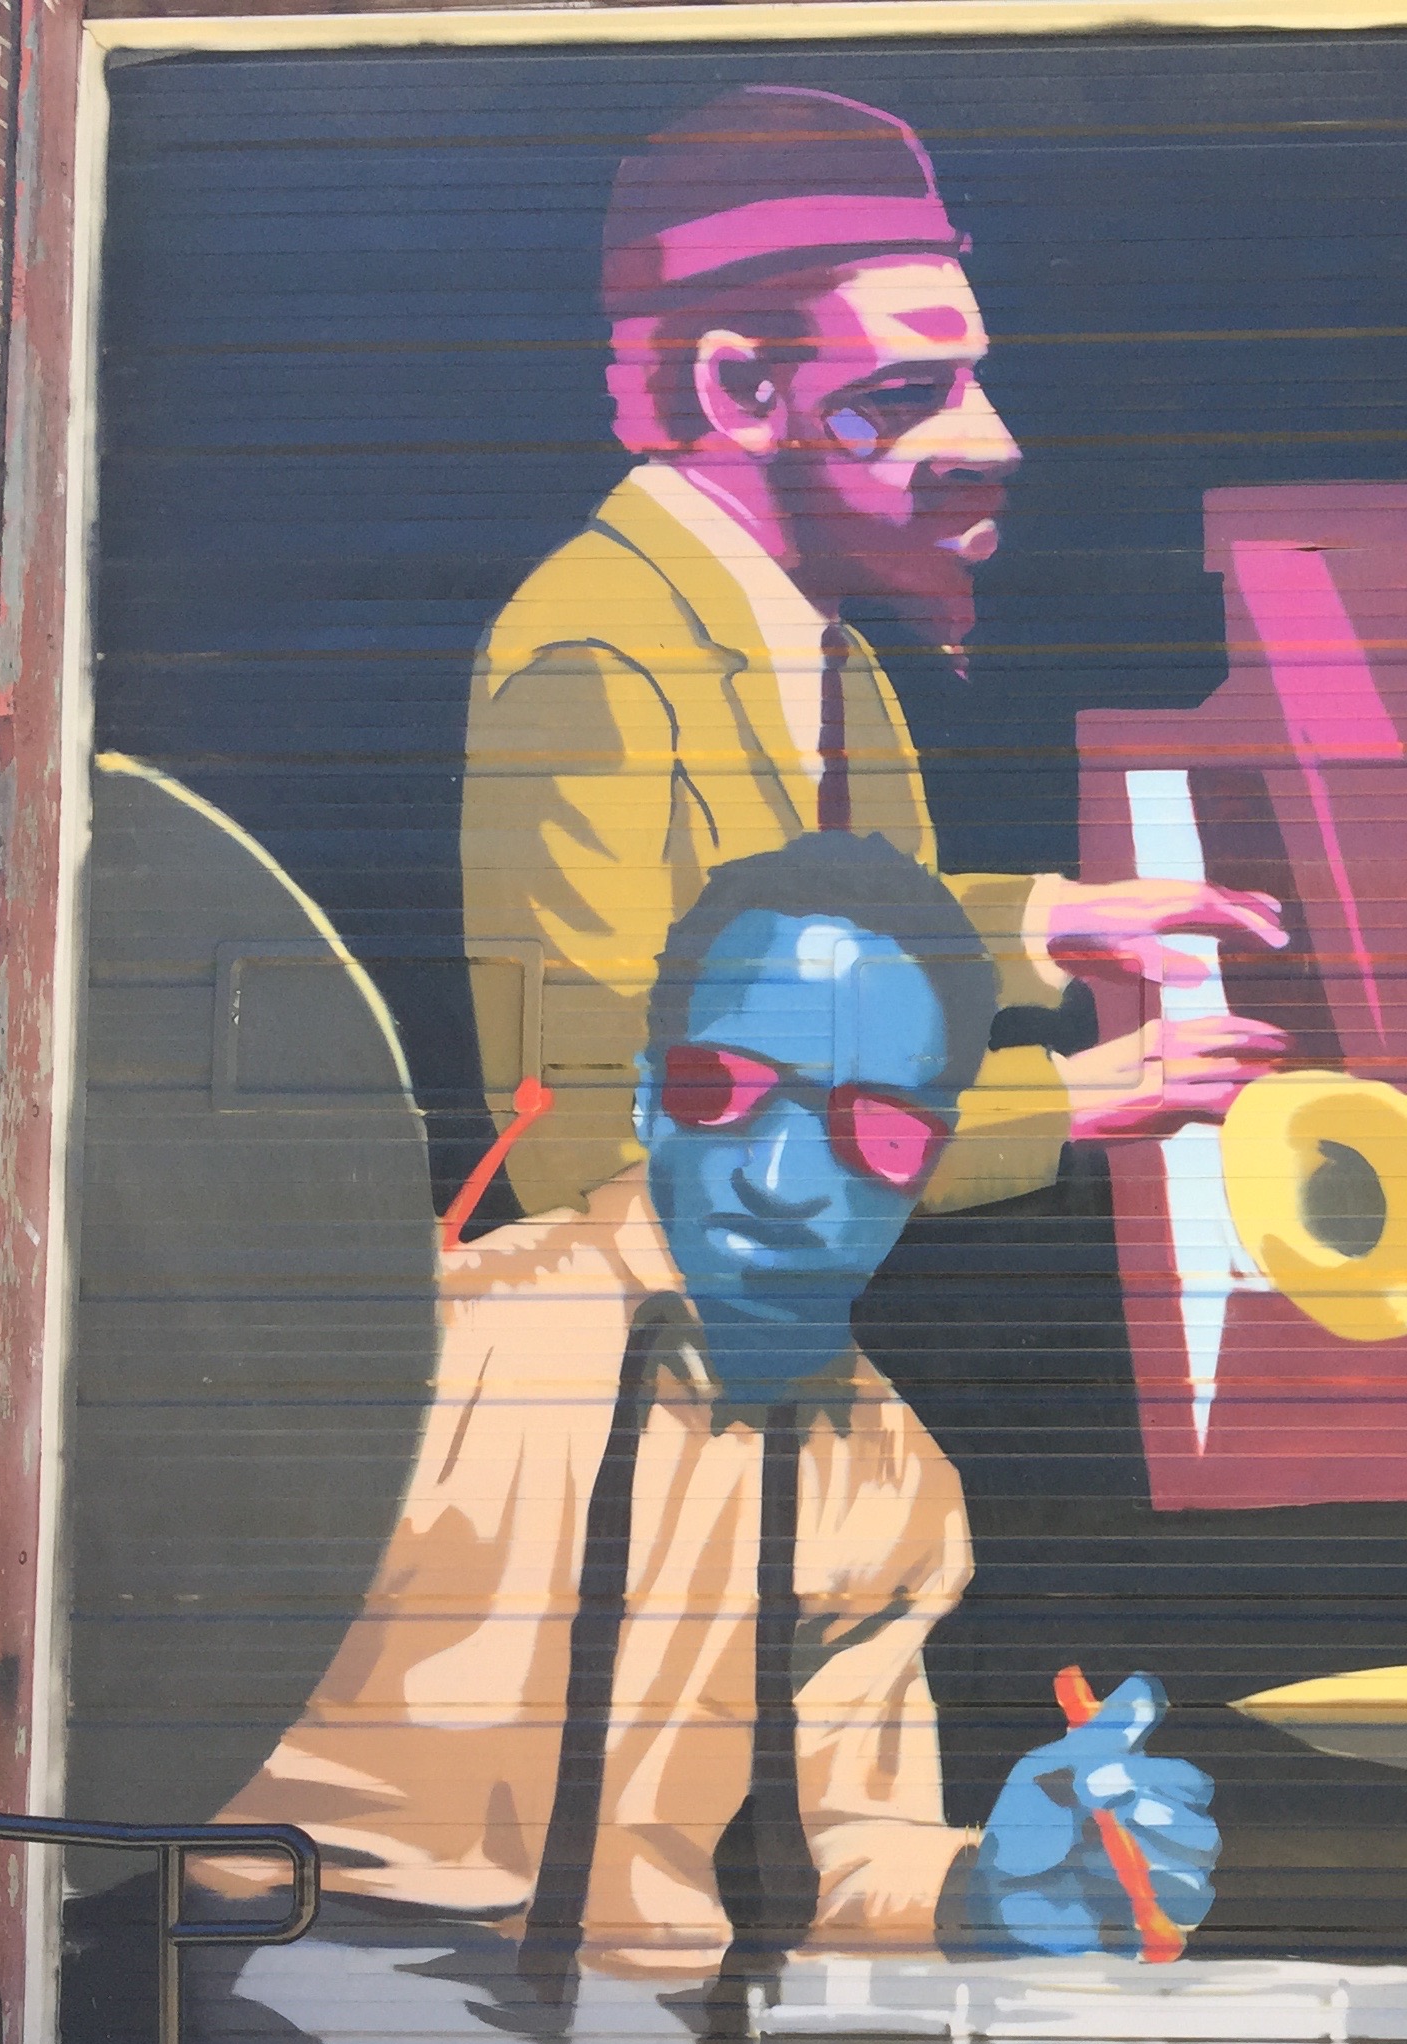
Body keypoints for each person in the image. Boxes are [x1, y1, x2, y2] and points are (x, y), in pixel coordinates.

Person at [208, 834, 1218, 2044]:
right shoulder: (433, 1346)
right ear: (645, 1099)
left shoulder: (888, 1479)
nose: (785, 1180)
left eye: (876, 1128)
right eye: (724, 1090)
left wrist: (995, 1891)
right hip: (300, 1992)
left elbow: (852, 1855)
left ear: (934, 1160)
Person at [466, 84, 1286, 1219]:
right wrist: (1063, 1101)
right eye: (906, 395)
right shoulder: (590, 662)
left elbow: (830, 952)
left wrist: (1053, 921)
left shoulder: (824, 639)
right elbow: (607, 1156)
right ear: (739, 390)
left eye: (972, 381)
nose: (993, 440)